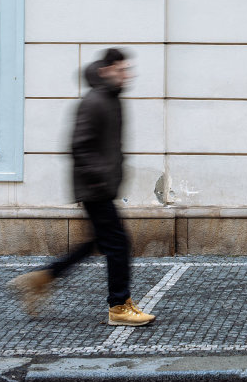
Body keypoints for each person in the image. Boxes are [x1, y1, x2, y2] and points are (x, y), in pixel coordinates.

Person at [9, 48, 155, 326]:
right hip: (95, 188)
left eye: (127, 69)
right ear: (105, 71)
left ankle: (42, 278)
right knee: (118, 244)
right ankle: (119, 307)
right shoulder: (94, 101)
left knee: (96, 243)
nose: (126, 75)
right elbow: (79, 146)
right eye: (121, 70)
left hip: (101, 186)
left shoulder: (110, 99)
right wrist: (99, 179)